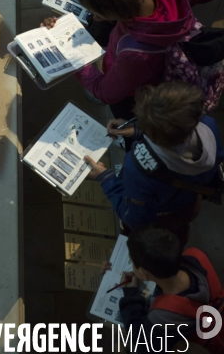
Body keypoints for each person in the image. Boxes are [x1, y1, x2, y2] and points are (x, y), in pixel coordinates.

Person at [85, 81, 224, 245]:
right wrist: (138, 130)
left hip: (160, 216)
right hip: (188, 203)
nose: (136, 96)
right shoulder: (208, 125)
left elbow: (134, 219)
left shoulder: (137, 170)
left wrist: (105, 177)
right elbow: (175, 136)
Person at [71, 0, 195, 118]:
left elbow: (105, 92)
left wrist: (72, 59)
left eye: (96, 12)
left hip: (132, 94)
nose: (95, 17)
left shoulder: (136, 55)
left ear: (114, 9)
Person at [111, 227, 224, 353]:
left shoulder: (162, 317)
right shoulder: (196, 255)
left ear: (144, 273)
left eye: (131, 262)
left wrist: (130, 296)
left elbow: (141, 342)